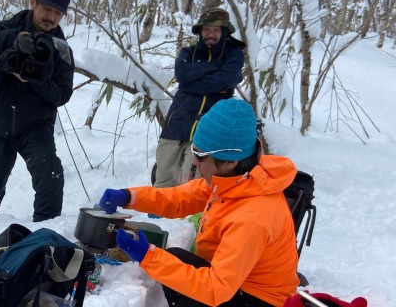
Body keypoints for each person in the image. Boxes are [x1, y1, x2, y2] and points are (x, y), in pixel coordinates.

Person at [99, 98, 300, 306]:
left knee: (177, 272)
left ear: (231, 161)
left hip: (257, 300)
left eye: (200, 155)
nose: (194, 161)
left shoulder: (252, 217)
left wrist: (147, 256)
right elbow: (180, 198)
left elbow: (215, 289)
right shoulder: (237, 179)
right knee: (176, 258)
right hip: (235, 283)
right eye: (194, 150)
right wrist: (129, 196)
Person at [0, 0, 75, 222]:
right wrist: (12, 40)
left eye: (58, 13)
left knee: (50, 175)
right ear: (33, 1)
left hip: (36, 126)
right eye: (47, 8)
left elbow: (62, 94)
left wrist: (38, 81)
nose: (51, 17)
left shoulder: (61, 48)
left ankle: (47, 233)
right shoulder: (7, 28)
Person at [154, 7, 246, 188]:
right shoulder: (188, 52)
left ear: (225, 32)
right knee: (164, 173)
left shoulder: (233, 54)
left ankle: (189, 215)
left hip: (207, 128)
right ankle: (157, 212)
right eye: (206, 29)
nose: (210, 34)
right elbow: (182, 75)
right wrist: (214, 68)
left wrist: (191, 82)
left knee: (193, 180)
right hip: (177, 121)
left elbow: (225, 80)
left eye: (216, 30)